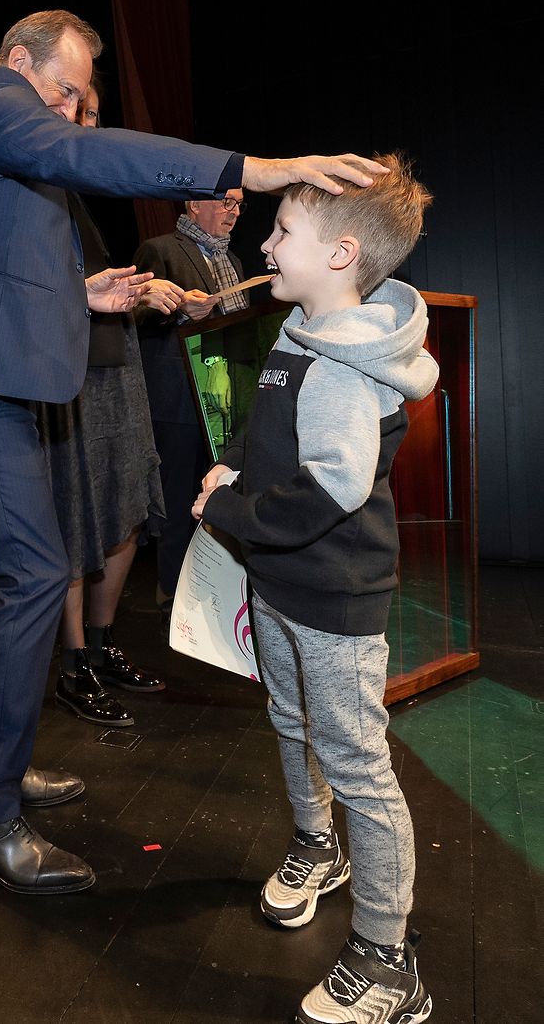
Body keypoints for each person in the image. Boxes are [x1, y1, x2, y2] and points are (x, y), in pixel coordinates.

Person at [0, 5, 388, 898]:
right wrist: (257, 169)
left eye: (83, 99)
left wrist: (85, 293)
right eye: (67, 91)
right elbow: (85, 155)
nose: (75, 114)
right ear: (17, 61)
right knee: (38, 575)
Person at [191, 151, 436, 1024]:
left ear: (339, 255)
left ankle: (387, 961)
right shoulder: (302, 334)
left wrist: (236, 515)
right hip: (283, 586)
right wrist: (229, 466)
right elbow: (267, 431)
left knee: (358, 767)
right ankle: (313, 847)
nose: (266, 239)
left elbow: (331, 487)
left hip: (332, 601)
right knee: (291, 722)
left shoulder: (340, 367)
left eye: (283, 230)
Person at [36, 79, 168, 730]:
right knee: (76, 518)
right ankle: (75, 664)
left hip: (119, 366)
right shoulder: (25, 189)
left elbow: (92, 287)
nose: (86, 125)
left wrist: (142, 291)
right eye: (73, 107)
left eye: (93, 113)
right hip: (70, 376)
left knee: (126, 509)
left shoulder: (73, 195)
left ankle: (104, 643)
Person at [133, 191, 251, 612]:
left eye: (238, 205)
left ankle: (216, 588)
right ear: (193, 206)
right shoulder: (161, 250)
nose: (233, 212)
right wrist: (180, 309)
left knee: (219, 487)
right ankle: (172, 591)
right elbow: (132, 316)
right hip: (179, 396)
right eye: (224, 203)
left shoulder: (234, 263)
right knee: (179, 491)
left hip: (228, 395)